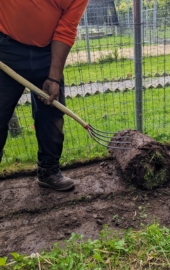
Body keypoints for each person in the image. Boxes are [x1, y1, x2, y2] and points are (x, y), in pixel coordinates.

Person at [0, 0, 89, 191]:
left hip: (47, 53)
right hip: (5, 48)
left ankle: (48, 171)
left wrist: (54, 78)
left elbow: (66, 28)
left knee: (51, 114)